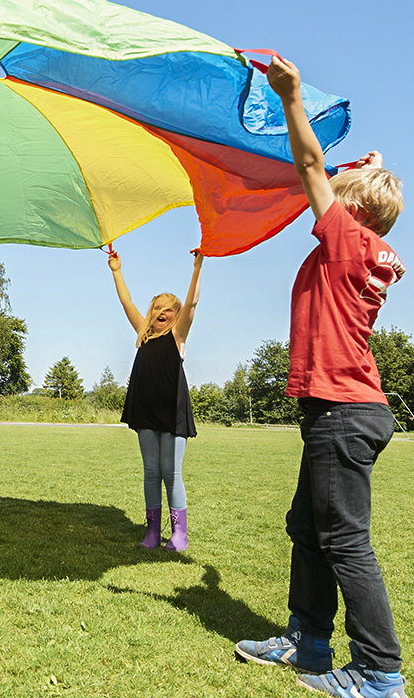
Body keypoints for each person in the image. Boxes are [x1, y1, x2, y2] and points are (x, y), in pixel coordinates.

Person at [235, 57, 406, 698]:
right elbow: (335, 175)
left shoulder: (345, 239)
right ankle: (308, 640)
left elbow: (310, 166)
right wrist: (371, 166)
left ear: (354, 205)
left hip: (341, 409)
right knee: (305, 526)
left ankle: (379, 673)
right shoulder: (369, 246)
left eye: (348, 182)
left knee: (344, 540)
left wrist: (293, 97)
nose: (336, 179)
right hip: (341, 408)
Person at [108, 249, 203, 551]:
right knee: (151, 472)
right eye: (157, 308)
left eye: (169, 309)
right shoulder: (142, 333)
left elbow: (192, 303)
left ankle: (180, 535)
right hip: (146, 410)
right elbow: (126, 302)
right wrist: (116, 270)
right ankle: (151, 532)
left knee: (170, 472)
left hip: (172, 412)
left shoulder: (178, 336)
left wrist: (198, 266)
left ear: (175, 316)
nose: (162, 313)